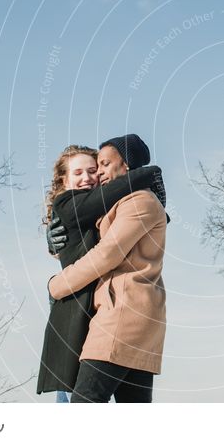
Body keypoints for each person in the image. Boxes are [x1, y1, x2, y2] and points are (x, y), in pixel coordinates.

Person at [36, 144, 165, 399]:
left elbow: (124, 234)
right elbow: (102, 251)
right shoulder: (72, 204)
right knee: (71, 398)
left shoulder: (109, 204)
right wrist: (145, 176)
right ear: (64, 179)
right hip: (76, 310)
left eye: (94, 170)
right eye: (78, 173)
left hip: (104, 309)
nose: (88, 178)